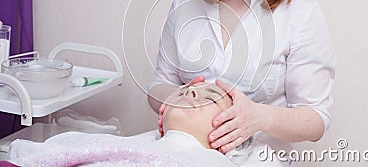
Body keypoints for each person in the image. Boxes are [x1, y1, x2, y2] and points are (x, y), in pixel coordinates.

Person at [147, 0, 335, 166]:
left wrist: (258, 117)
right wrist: (181, 101)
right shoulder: (184, 3)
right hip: (180, 155)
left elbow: (316, 119)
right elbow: (158, 84)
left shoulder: (301, 16)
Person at [3, 82, 282, 167]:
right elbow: (51, 153)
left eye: (210, 98)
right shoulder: (122, 146)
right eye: (183, 90)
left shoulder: (216, 162)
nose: (191, 92)